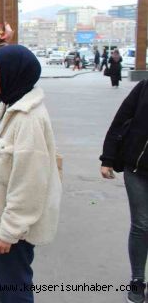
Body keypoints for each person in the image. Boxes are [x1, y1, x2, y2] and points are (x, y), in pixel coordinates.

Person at [0, 45, 62, 303]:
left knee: (15, 290)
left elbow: (30, 183)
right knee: (4, 283)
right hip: (0, 219)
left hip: (13, 228)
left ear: (12, 72)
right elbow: (5, 152)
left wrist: (9, 232)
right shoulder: (9, 106)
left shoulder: (27, 118)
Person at [100, 79, 148, 303]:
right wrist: (107, 159)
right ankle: (137, 280)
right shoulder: (145, 87)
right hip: (137, 169)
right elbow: (120, 121)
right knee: (141, 224)